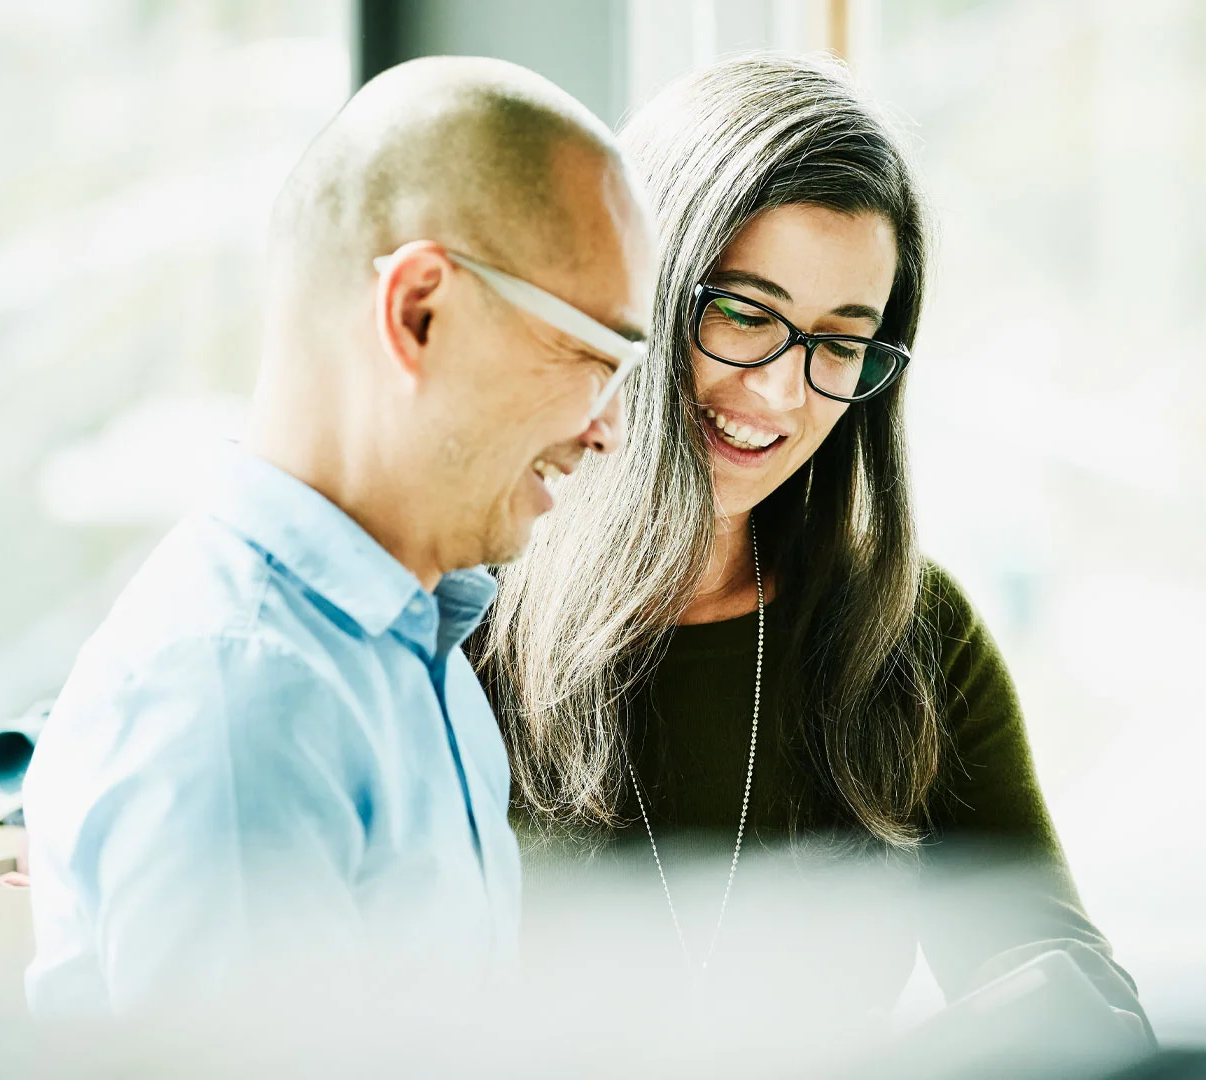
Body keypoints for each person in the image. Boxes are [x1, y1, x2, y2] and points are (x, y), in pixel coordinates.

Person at [479, 53, 1149, 1035]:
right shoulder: (456, 617)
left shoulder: (906, 633)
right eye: (747, 314)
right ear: (637, 292)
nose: (783, 395)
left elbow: (1088, 1007)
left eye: (841, 342)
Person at [23, 56, 653, 1014]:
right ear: (419, 312)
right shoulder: (244, 699)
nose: (609, 427)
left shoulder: (411, 656)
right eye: (591, 356)